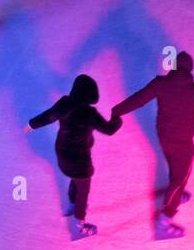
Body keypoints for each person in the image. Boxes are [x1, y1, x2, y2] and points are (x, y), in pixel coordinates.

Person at [112, 52, 194, 238]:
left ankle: (174, 195)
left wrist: (117, 110)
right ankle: (165, 220)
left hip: (164, 136)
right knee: (181, 177)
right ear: (190, 69)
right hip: (184, 141)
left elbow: (138, 99)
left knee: (173, 164)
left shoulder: (160, 83)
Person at [26, 75, 122, 239]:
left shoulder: (65, 103)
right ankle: (80, 225)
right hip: (79, 159)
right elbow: (109, 130)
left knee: (74, 177)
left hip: (62, 152)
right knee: (83, 189)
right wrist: (116, 119)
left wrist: (31, 125)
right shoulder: (89, 113)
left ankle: (72, 203)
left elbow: (48, 116)